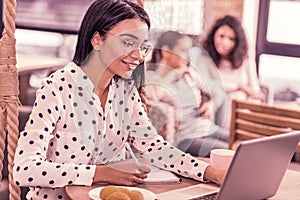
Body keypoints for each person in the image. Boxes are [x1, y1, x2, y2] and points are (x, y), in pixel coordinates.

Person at [13, 1, 224, 199]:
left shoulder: (125, 90)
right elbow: (24, 170)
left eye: (143, 46)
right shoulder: (57, 87)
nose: (139, 56)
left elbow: (154, 146)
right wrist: (101, 173)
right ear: (97, 40)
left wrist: (211, 172)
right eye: (128, 43)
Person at [146, 31, 227, 158]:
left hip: (207, 128)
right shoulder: (151, 76)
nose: (187, 56)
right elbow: (156, 93)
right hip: (185, 138)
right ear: (166, 52)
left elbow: (218, 91)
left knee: (241, 144)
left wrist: (211, 104)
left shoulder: (189, 75)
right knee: (231, 152)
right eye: (183, 50)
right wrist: (174, 73)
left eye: (189, 51)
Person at [201, 15, 264, 130]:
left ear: (237, 42)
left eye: (231, 39)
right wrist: (240, 87)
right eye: (221, 36)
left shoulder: (245, 60)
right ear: (213, 35)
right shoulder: (204, 58)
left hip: (242, 117)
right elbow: (207, 84)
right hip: (215, 115)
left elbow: (254, 93)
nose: (225, 42)